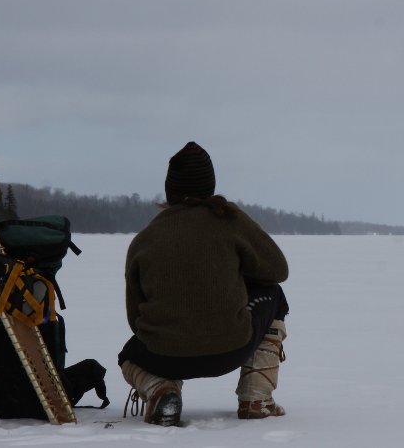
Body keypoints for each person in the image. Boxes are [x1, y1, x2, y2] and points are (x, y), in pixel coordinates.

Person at [118, 141, 291, 426]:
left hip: (163, 357)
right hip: (232, 348)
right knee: (273, 294)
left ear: (170, 189)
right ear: (210, 185)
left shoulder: (145, 238)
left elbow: (134, 318)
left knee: (129, 355)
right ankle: (256, 397)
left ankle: (162, 390)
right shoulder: (229, 219)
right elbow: (277, 270)